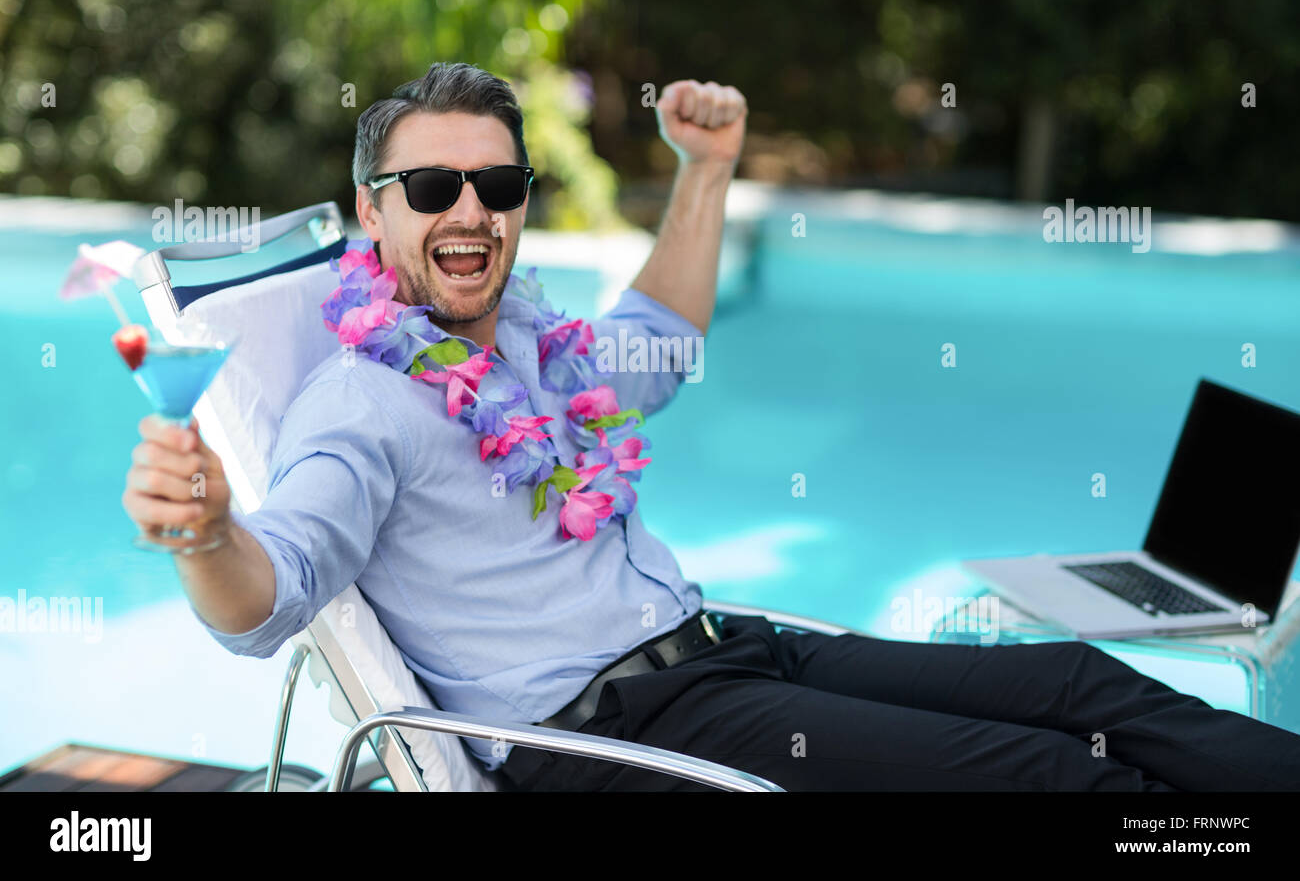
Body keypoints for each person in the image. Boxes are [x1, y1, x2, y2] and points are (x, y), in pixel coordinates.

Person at [121, 61, 1300, 791]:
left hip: (727, 650)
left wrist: (706, 169)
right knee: (1046, 777)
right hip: (610, 737)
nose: (468, 210)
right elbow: (267, 598)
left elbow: (658, 344)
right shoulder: (359, 404)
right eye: (432, 188)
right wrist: (205, 535)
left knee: (1081, 686)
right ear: (375, 214)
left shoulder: (525, 341)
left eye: (499, 184)